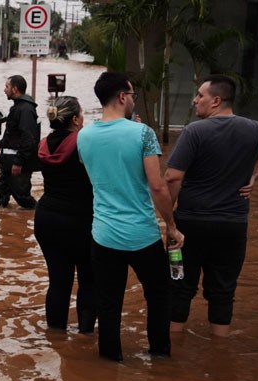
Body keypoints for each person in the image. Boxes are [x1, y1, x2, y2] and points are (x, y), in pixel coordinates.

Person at [76, 71, 183, 361]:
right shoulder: (143, 133)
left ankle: (111, 362)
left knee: (108, 303)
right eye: (132, 94)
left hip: (104, 235)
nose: (133, 99)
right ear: (123, 97)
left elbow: (100, 174)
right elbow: (158, 186)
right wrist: (171, 226)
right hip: (142, 235)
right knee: (158, 296)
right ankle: (159, 357)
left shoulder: (83, 136)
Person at [164, 75, 258, 337]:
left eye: (199, 96)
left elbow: (172, 176)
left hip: (190, 224)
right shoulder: (256, 129)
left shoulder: (194, 131)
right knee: (224, 290)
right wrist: (257, 174)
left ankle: (168, 353)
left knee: (179, 284)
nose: (194, 101)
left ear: (216, 100)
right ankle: (220, 354)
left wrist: (169, 223)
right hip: (233, 225)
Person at [34, 96, 94, 333]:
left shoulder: (44, 144)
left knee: (58, 283)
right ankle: (85, 336)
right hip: (81, 220)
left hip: (47, 217)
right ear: (77, 119)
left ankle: (56, 337)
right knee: (89, 280)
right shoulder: (85, 144)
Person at [0, 75, 39, 209]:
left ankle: (38, 214)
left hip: (17, 162)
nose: (5, 90)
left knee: (22, 198)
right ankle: (3, 227)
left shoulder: (26, 110)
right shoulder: (18, 107)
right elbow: (13, 135)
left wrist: (18, 162)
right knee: (1, 194)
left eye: (7, 86)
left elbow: (28, 139)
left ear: (15, 89)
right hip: (7, 162)